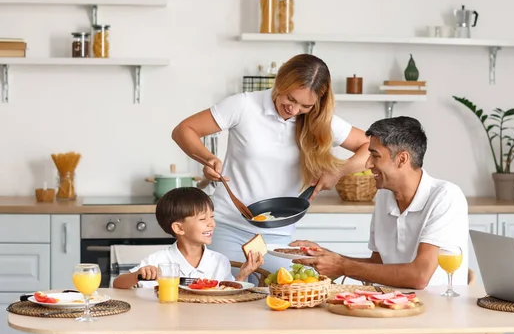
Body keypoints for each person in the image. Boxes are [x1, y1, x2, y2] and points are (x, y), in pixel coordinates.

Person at [171, 54, 370, 274]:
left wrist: (339, 171)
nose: (294, 110)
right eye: (290, 99)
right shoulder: (244, 105)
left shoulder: (321, 120)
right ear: (281, 82)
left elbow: (370, 145)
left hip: (278, 236)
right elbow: (184, 130)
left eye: (305, 105)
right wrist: (208, 158)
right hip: (228, 227)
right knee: (228, 297)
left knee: (277, 297)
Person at [291, 116, 469, 289]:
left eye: (375, 156)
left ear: (402, 159)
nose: (367, 164)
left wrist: (342, 265)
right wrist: (327, 256)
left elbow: (419, 276)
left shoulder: (445, 196)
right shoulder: (385, 196)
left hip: (437, 310)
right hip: (393, 304)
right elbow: (378, 264)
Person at [113, 187, 263, 289]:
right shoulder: (158, 261)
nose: (212, 224)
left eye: (212, 217)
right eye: (203, 219)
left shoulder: (219, 262)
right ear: (179, 228)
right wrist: (138, 276)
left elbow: (229, 296)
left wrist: (243, 274)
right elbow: (118, 284)